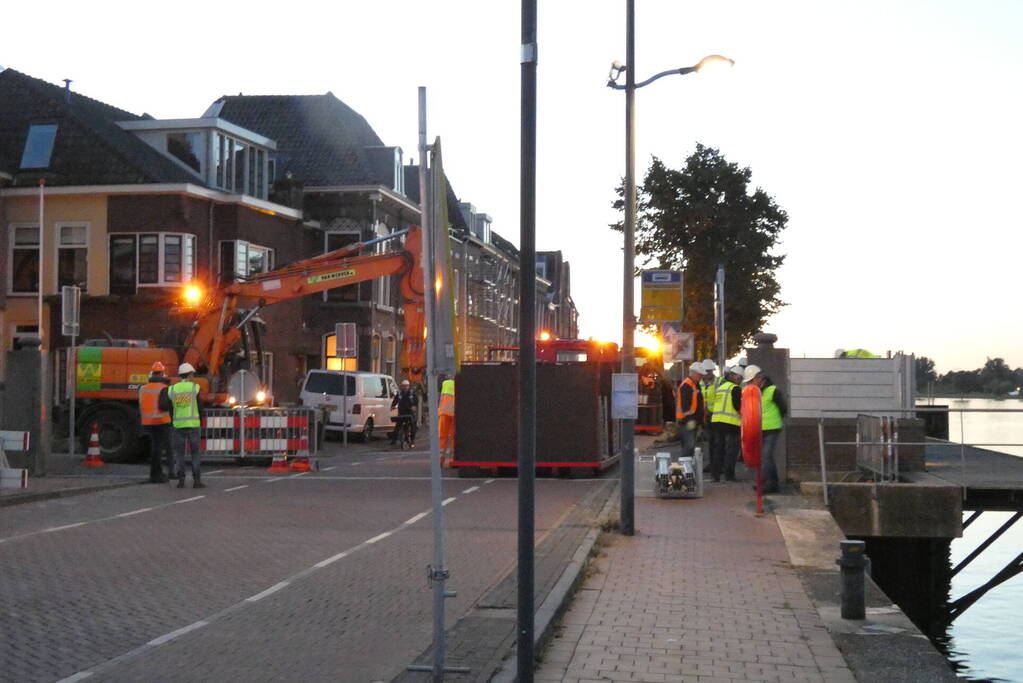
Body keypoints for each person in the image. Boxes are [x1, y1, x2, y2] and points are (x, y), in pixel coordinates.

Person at [743, 365, 788, 493]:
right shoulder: (754, 392)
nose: (751, 384)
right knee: (764, 456)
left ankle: (769, 483)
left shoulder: (772, 390)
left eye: (752, 381)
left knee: (766, 455)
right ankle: (770, 482)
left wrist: (775, 419)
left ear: (759, 378)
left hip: (772, 428)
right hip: (759, 428)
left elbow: (783, 408)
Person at [161, 362, 205, 489]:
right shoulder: (194, 388)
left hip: (178, 425)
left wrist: (173, 420)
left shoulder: (173, 389)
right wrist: (200, 420)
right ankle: (197, 481)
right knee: (195, 453)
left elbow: (169, 407)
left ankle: (181, 481)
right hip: (193, 425)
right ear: (190, 374)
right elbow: (200, 406)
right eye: (193, 374)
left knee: (179, 454)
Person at [138, 362, 173, 483]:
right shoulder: (163, 388)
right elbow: (165, 406)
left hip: (148, 421)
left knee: (155, 448)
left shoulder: (143, 388)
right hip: (161, 421)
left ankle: (156, 474)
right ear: (162, 373)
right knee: (158, 449)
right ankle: (156, 475)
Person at [709, 365, 743, 482]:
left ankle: (715, 475)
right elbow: (738, 406)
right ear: (733, 376)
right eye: (739, 378)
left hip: (716, 421)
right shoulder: (736, 389)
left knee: (719, 449)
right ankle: (729, 475)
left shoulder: (721, 387)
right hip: (731, 423)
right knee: (732, 450)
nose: (740, 381)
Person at [675, 362, 705, 461]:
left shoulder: (694, 385)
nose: (701, 376)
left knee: (690, 447)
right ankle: (684, 470)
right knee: (688, 447)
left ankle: (686, 470)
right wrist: (690, 420)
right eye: (699, 374)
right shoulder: (687, 385)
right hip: (687, 421)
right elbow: (686, 406)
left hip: (691, 421)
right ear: (693, 372)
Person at [390, 379, 418, 445]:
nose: (405, 387)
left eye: (406, 386)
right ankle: (394, 440)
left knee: (413, 426)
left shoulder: (412, 393)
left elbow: (416, 401)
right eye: (403, 386)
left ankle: (412, 440)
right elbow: (395, 400)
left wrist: (414, 407)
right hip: (402, 413)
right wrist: (392, 406)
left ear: (408, 386)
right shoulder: (399, 394)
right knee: (397, 426)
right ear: (401, 386)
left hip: (410, 413)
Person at [438, 377, 455, 466]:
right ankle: (453, 458)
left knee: (442, 436)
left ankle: (440, 459)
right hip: (454, 413)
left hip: (444, 412)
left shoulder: (445, 383)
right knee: (454, 436)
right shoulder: (460, 383)